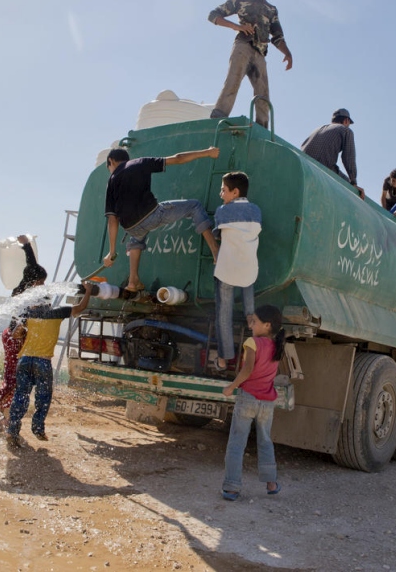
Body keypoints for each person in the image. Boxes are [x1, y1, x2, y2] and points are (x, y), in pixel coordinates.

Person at [102, 147, 221, 294]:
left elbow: (112, 219)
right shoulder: (140, 163)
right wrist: (207, 152)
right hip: (152, 216)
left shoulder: (111, 181)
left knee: (136, 240)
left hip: (131, 227)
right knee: (194, 206)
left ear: (111, 161)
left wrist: (111, 252)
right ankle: (216, 252)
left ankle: (133, 281)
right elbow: (178, 158)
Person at [6, 270, 96, 449]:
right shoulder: (57, 312)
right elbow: (80, 308)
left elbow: (15, 336)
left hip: (24, 361)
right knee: (43, 397)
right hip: (42, 362)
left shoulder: (28, 316)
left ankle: (12, 431)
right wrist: (87, 291)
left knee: (20, 396)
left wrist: (23, 324)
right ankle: (38, 428)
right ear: (48, 302)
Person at [209, 0, 293, 129]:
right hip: (243, 46)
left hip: (260, 53)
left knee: (263, 94)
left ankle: (262, 129)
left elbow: (277, 37)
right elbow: (213, 15)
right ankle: (217, 120)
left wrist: (288, 53)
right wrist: (236, 27)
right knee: (232, 81)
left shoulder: (271, 10)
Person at [220, 304, 285, 501]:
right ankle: (271, 483)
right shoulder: (276, 346)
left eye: (254, 322)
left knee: (236, 444)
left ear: (267, 325)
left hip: (248, 398)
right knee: (265, 442)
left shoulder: (252, 343)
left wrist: (231, 387)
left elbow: (247, 370)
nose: (251, 326)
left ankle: (232, 487)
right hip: (267, 403)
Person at [0, 235, 42, 429]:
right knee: (11, 381)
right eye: (41, 281)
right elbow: (31, 266)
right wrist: (26, 246)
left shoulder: (27, 293)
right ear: (33, 280)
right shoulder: (22, 293)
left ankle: (2, 416)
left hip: (15, 338)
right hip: (14, 337)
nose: (42, 286)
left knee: (17, 382)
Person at [213, 172, 262, 372]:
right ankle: (256, 354)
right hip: (249, 271)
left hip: (226, 270)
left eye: (223, 190)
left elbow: (216, 235)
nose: (221, 193)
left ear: (235, 192)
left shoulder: (222, 211)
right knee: (251, 314)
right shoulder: (256, 211)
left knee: (224, 315)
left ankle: (224, 360)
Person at [301, 108, 365, 200]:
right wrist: (353, 183)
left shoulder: (319, 128)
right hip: (323, 166)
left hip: (304, 163)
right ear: (346, 120)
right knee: (350, 187)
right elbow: (349, 157)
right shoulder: (346, 131)